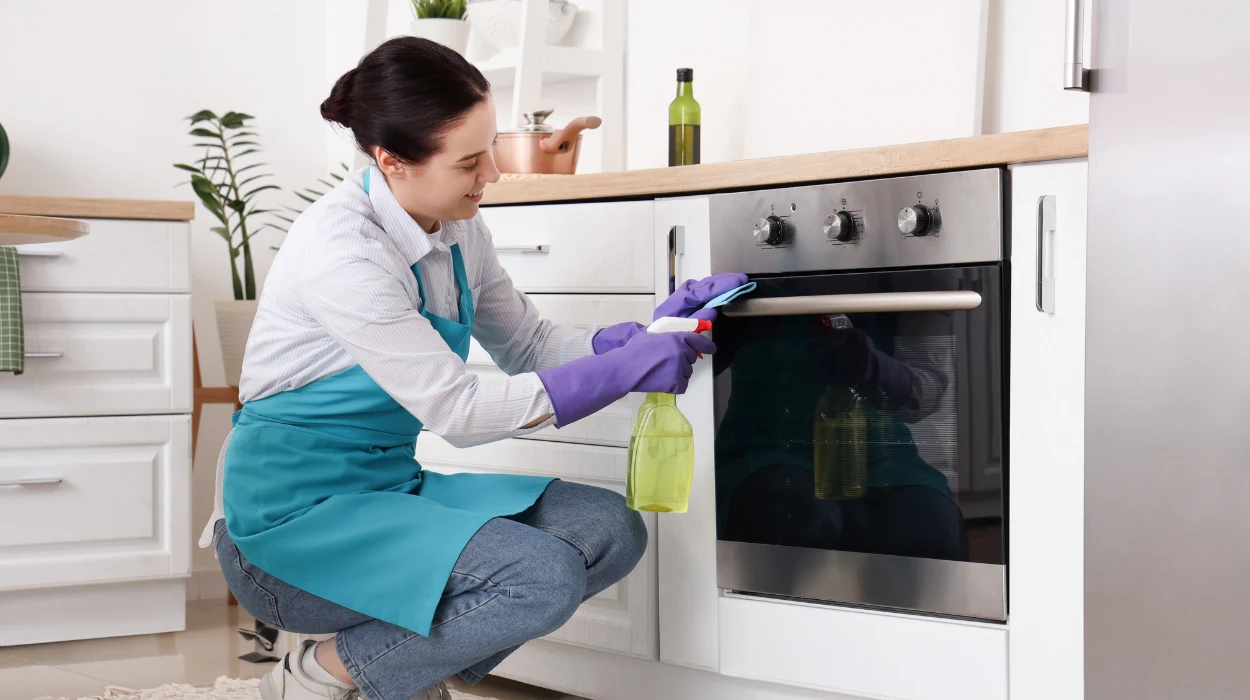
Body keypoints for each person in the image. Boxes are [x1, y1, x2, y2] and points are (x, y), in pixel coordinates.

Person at [197, 37, 746, 700]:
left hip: (389, 491)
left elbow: (531, 344)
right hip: (287, 529)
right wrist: (627, 369)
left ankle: (396, 668)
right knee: (541, 574)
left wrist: (640, 337)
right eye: (468, 161)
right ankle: (315, 678)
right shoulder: (343, 254)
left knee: (608, 530)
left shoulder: (459, 228)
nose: (492, 172)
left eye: (491, 146)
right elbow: (457, 413)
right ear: (392, 162)